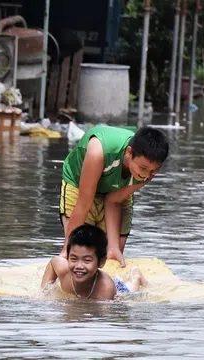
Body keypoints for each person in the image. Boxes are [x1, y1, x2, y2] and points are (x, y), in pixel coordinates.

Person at [59, 125, 169, 267]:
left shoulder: (148, 171)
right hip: (79, 185)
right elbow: (84, 203)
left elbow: (114, 200)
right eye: (143, 168)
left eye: (154, 171)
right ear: (129, 153)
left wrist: (113, 247)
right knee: (81, 250)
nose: (146, 176)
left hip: (116, 190)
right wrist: (67, 249)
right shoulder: (98, 152)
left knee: (111, 256)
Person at [41, 224, 147, 300]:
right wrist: (46, 290)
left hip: (117, 289)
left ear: (101, 262)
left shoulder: (105, 290)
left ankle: (135, 275)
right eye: (73, 259)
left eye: (87, 260)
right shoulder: (63, 270)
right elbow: (53, 262)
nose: (79, 266)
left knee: (129, 291)